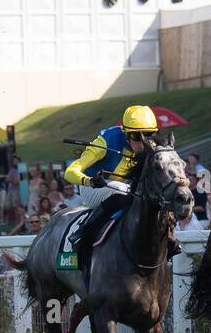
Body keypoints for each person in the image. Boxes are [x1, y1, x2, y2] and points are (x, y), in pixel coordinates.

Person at [64, 104, 160, 260]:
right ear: (126, 134)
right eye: (137, 136)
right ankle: (82, 232)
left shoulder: (152, 146)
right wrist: (90, 181)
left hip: (125, 187)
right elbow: (69, 172)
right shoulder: (105, 142)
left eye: (149, 135)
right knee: (124, 192)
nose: (144, 142)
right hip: (94, 187)